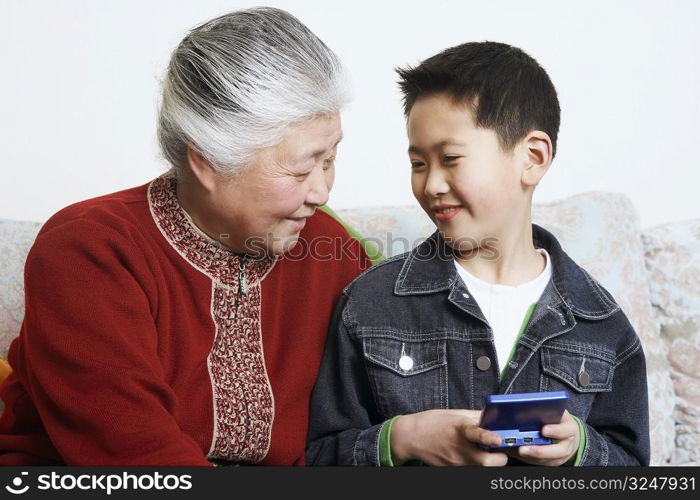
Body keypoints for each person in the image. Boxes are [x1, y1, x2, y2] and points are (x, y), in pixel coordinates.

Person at [0, 7, 374, 466]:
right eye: (300, 168)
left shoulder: (336, 253)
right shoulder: (90, 250)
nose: (321, 190)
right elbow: (132, 450)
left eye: (330, 159)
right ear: (208, 162)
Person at [306, 41, 650, 466]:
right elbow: (317, 456)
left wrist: (580, 447)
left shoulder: (600, 323)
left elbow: (633, 467)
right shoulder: (370, 304)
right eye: (418, 163)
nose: (431, 185)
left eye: (451, 158)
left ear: (533, 158)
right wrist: (401, 440)